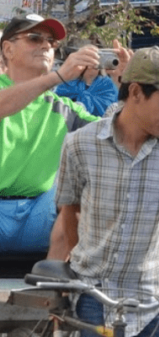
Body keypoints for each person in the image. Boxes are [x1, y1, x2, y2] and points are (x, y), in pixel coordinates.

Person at [47, 46, 159, 336]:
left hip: (155, 293)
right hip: (94, 294)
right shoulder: (80, 144)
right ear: (135, 93)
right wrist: (74, 261)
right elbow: (69, 209)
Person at [0, 14, 129, 254]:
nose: (46, 45)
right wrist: (58, 77)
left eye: (52, 42)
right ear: (8, 49)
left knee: (85, 186)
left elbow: (121, 134)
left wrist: (130, 85)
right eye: (35, 38)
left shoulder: (63, 107)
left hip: (39, 216)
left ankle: (59, 281)